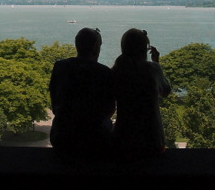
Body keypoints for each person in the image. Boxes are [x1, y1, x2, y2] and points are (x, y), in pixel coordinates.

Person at [49, 27, 115, 162]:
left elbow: (55, 104)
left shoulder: (60, 66)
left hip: (62, 137)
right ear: (96, 47)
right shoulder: (104, 72)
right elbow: (109, 110)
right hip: (95, 140)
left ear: (77, 45)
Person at [112, 28, 171, 160]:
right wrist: (156, 62)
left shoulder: (117, 71)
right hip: (153, 140)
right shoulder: (152, 69)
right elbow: (166, 91)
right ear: (144, 48)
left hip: (124, 139)